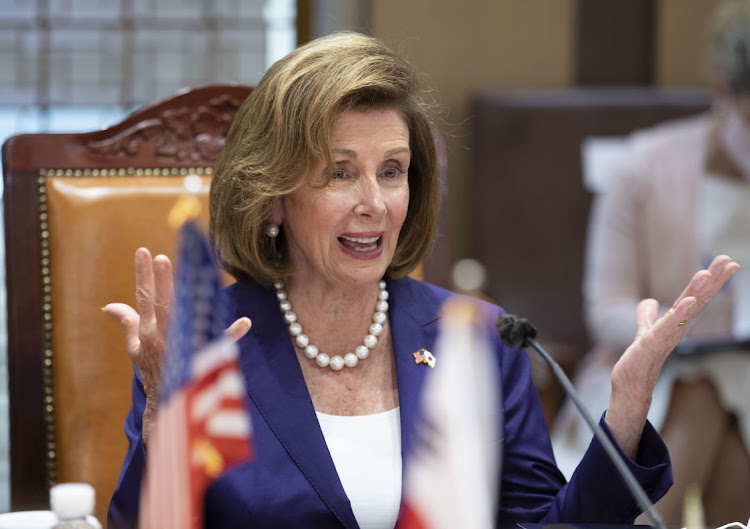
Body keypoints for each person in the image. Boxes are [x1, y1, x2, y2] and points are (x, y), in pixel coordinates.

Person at [105, 32, 738, 529]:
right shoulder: (204, 346)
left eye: (392, 171)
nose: (374, 203)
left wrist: (624, 412)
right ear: (274, 197)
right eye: (340, 173)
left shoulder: (481, 339)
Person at [552, 0, 750, 524]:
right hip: (655, 372)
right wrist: (682, 322)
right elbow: (605, 310)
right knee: (706, 390)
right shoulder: (646, 168)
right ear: (724, 92)